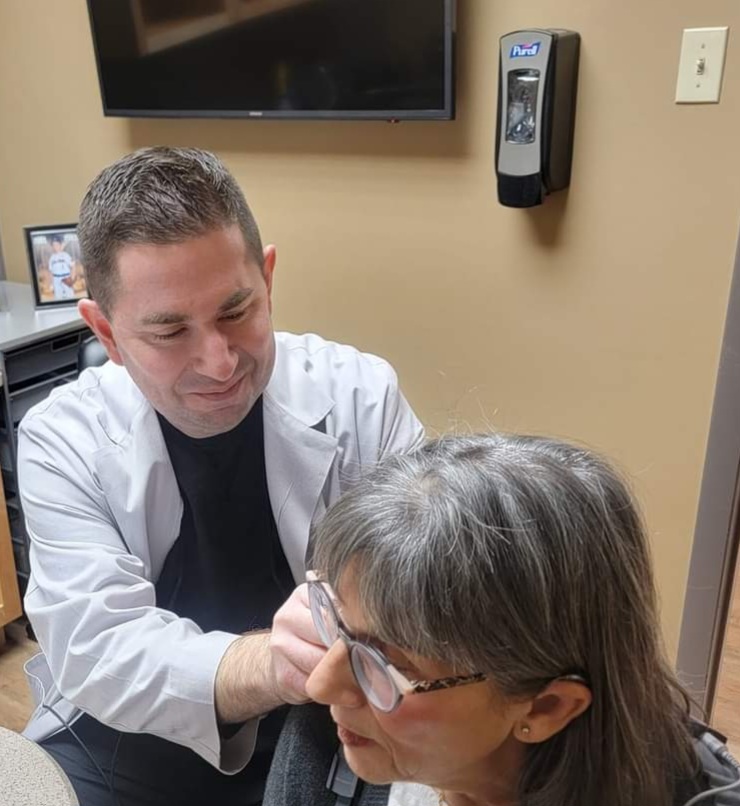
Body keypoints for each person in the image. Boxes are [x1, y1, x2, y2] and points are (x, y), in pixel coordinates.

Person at [18, 146, 424, 806]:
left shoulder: (360, 398)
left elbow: (422, 586)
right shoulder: (63, 440)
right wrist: (271, 663)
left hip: (328, 721)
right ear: (107, 333)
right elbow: (100, 648)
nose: (218, 361)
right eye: (169, 331)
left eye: (236, 311)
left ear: (267, 280)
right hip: (126, 733)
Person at [278, 433, 740, 806]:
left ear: (545, 708)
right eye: (336, 622)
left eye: (384, 666)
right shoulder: (335, 747)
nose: (321, 685)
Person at [47, 234, 76, 300]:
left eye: (57, 245)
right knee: (58, 297)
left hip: (66, 277)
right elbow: (50, 272)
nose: (55, 247)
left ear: (60, 245)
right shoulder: (52, 258)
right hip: (56, 279)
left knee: (70, 297)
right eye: (54, 245)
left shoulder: (66, 255)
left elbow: (73, 267)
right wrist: (51, 283)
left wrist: (72, 279)